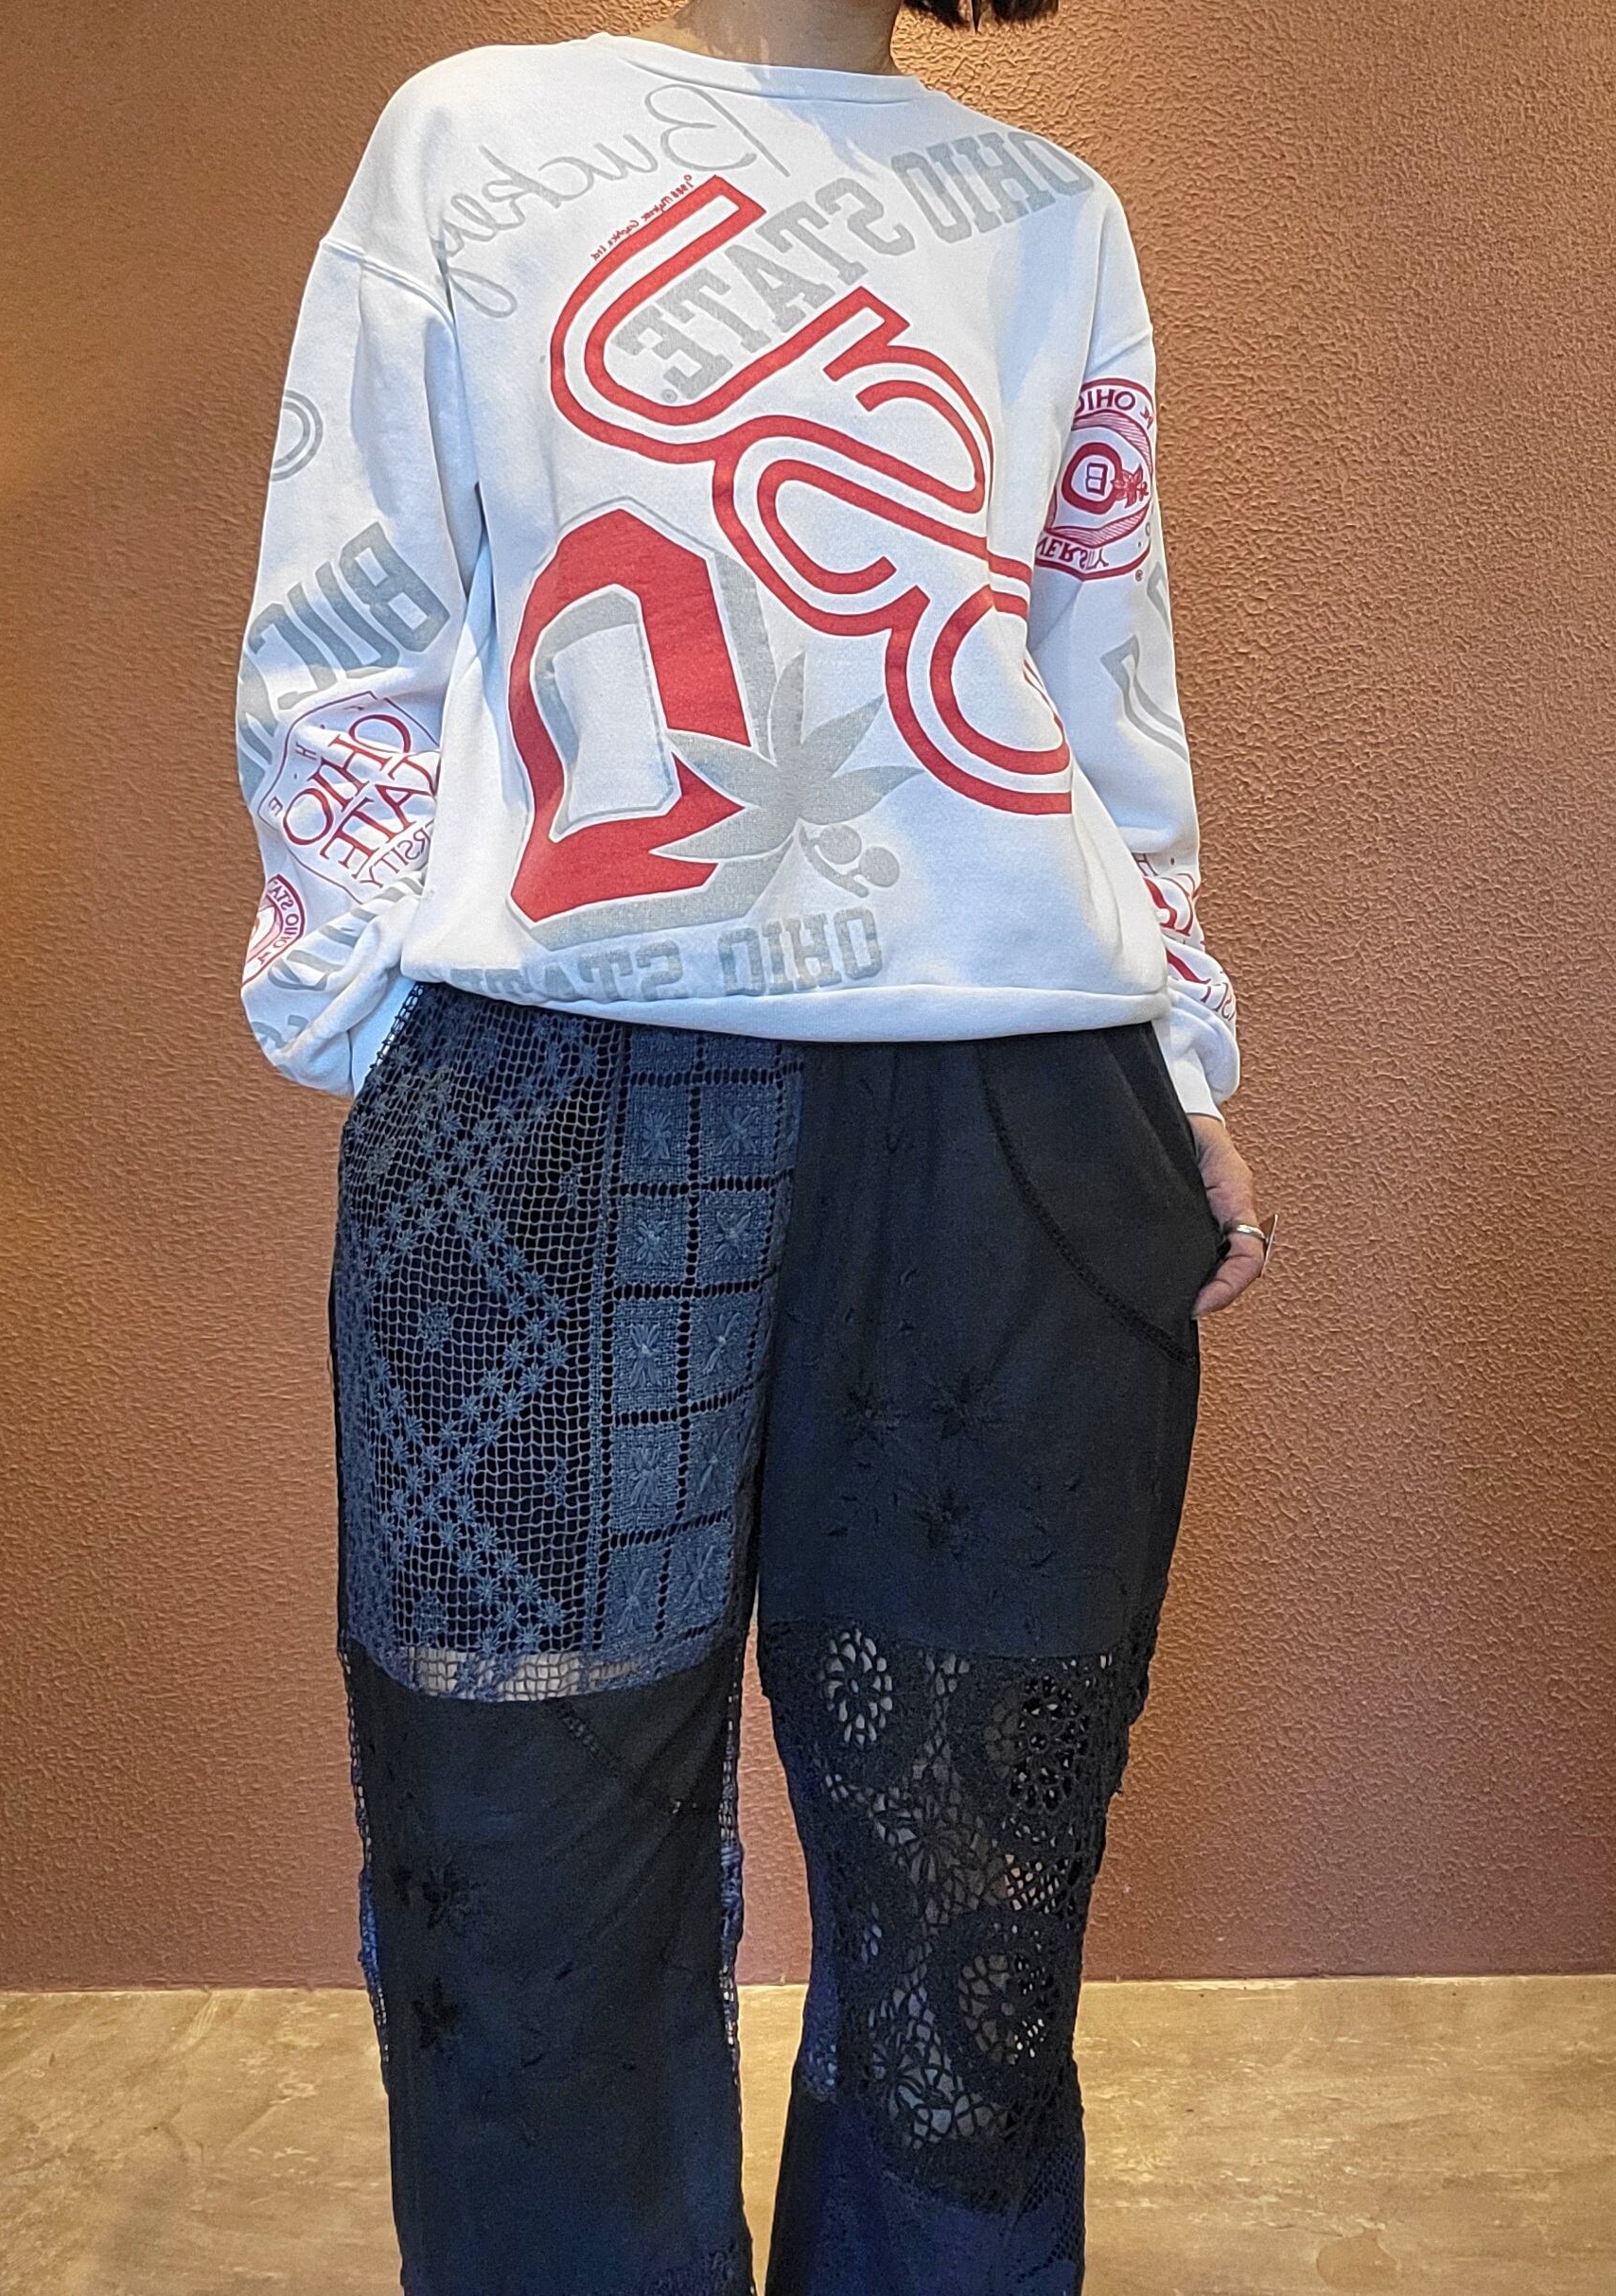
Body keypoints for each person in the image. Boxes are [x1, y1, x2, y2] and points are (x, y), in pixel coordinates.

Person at [234, 0, 1275, 2287]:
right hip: (552, 1095)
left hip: (1014, 1111)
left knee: (969, 1929)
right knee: (526, 1895)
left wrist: (1176, 1054)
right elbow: (351, 608)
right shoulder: (479, 134)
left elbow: (1094, 666)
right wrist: (384, 1005)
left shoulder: (1050, 214)